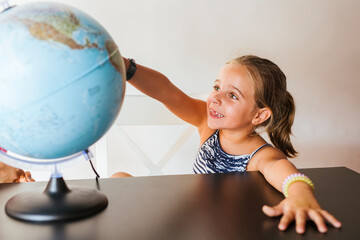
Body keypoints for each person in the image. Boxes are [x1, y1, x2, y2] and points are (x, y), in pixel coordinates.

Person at [113, 55, 342, 234]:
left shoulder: (260, 156)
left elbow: (288, 176)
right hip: (190, 220)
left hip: (224, 230)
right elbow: (168, 93)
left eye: (232, 95)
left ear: (259, 116)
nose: (216, 98)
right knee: (119, 178)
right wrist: (126, 67)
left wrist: (300, 195)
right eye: (216, 87)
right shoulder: (208, 124)